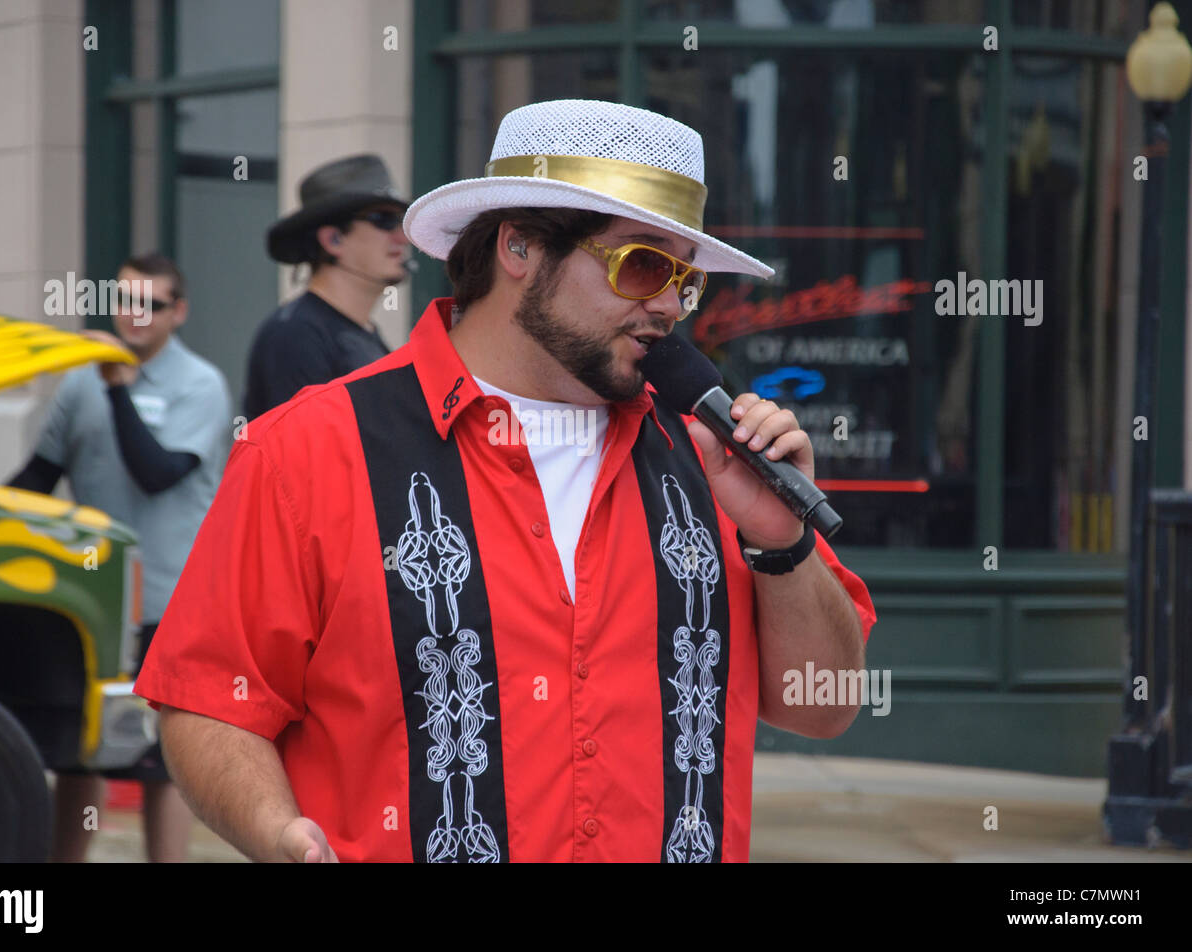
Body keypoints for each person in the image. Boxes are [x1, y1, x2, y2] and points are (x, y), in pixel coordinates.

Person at [135, 100, 877, 863]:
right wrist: (278, 832)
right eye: (644, 264)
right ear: (518, 246)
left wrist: (783, 545)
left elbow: (822, 707)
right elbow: (208, 701)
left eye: (685, 280)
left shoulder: (710, 455)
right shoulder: (308, 450)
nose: (666, 305)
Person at [8, 252, 231, 862]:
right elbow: (36, 478)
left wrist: (120, 388)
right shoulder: (81, 380)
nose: (134, 316)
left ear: (178, 312)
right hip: (88, 605)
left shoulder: (200, 384)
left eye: (151, 304)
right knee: (78, 751)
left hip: (167, 601)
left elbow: (156, 473)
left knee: (162, 764)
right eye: (125, 301)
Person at [243, 154, 411, 419]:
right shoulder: (295, 336)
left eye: (402, 221)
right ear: (333, 239)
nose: (402, 237)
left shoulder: (362, 334)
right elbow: (299, 452)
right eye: (384, 220)